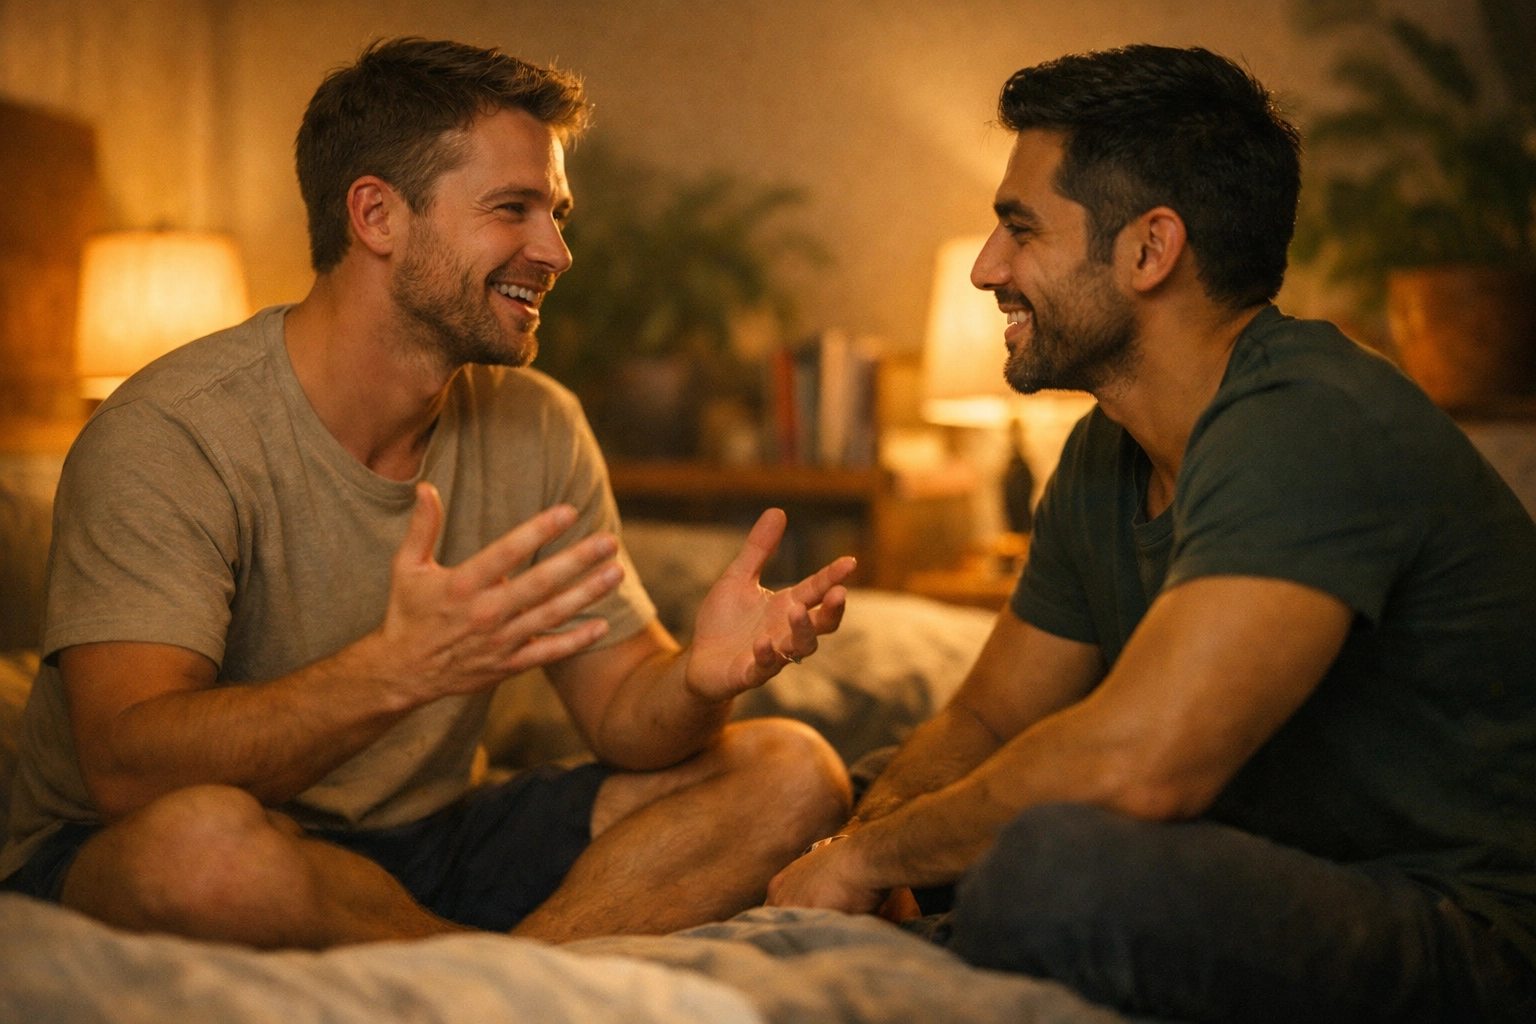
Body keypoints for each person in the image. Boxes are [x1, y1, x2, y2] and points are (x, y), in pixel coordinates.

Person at [0, 37, 855, 949]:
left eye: (556, 213)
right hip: (168, 839)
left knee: (791, 769)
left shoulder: (537, 425)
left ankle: (510, 980)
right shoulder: (170, 434)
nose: (557, 251)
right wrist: (399, 671)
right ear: (376, 215)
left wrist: (695, 680)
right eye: (513, 209)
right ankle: (495, 975)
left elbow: (622, 715)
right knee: (201, 855)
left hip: (436, 842)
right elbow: (128, 771)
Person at [768, 44, 1536, 1023]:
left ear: (1148, 249)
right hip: (1259, 876)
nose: (984, 268)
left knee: (1058, 867)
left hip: (1465, 928)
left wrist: (878, 860)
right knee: (871, 778)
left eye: (1019, 230)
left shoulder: (1308, 412)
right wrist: (855, 852)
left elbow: (1148, 762)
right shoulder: (1104, 453)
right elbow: (989, 720)